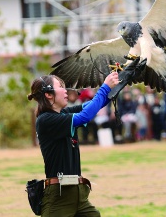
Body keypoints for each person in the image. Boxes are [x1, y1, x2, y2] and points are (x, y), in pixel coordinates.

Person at [27, 72, 119, 217]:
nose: (66, 91)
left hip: (77, 194)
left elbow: (96, 103)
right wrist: (105, 87)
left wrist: (122, 80)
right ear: (49, 95)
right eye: (61, 87)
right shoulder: (46, 120)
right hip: (59, 197)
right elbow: (85, 116)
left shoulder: (62, 114)